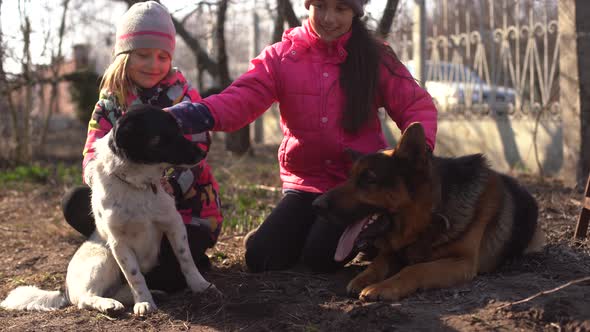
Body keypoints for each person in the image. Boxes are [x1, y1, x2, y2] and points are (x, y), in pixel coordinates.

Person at [166, 0, 437, 273]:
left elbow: (416, 106)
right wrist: (190, 115)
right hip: (305, 184)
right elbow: (241, 99)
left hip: (356, 185)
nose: (329, 18)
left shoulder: (376, 57)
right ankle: (294, 231)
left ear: (355, 12)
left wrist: (419, 153)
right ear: (307, 6)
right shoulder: (282, 57)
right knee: (261, 258)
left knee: (319, 258)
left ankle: (370, 230)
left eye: (341, 9)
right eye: (320, 6)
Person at [61, 1, 223, 292]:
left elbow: (197, 152)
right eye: (143, 55)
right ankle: (129, 255)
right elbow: (92, 150)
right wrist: (99, 181)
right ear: (124, 55)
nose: (153, 64)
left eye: (163, 56)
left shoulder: (184, 97)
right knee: (75, 202)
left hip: (185, 209)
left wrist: (169, 186)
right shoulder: (110, 102)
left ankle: (170, 263)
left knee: (169, 276)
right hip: (127, 200)